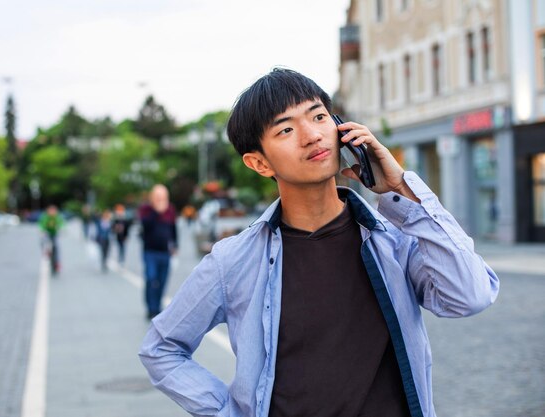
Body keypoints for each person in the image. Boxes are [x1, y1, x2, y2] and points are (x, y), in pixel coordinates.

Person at [139, 68, 499, 417]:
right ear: (259, 163)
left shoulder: (393, 241)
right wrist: (226, 410)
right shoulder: (233, 261)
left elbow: (470, 295)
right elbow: (161, 347)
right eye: (285, 129)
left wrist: (402, 188)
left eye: (319, 116)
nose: (311, 135)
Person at [138, 184, 178, 319]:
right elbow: (145, 226)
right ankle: (150, 307)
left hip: (164, 252)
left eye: (163, 197)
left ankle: (157, 306)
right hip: (150, 251)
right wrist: (156, 212)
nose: (161, 200)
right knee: (151, 278)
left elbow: (173, 228)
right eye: (158, 197)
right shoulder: (146, 210)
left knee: (162, 280)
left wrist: (175, 245)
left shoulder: (170, 210)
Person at [38, 205, 64, 275]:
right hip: (47, 233)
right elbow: (42, 224)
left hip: (54, 233)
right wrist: (42, 230)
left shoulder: (57, 217)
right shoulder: (45, 217)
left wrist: (61, 228)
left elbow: (61, 223)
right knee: (43, 242)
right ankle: (46, 251)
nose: (52, 212)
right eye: (51, 211)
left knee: (56, 247)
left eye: (53, 211)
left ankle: (57, 263)